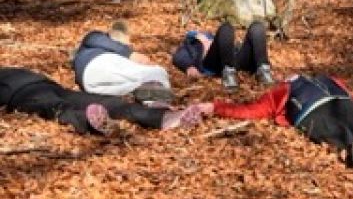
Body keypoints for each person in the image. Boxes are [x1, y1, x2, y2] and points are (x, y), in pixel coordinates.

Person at [198, 74, 353, 168]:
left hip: (341, 101)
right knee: (336, 131)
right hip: (309, 113)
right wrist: (216, 107)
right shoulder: (281, 92)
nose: (288, 75)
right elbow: (252, 110)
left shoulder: (329, 80)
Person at [0, 67, 203, 134]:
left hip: (53, 87)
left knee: (111, 102)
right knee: (58, 108)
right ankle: (92, 123)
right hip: (24, 97)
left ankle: (166, 118)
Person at [72, 20, 172, 102]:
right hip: (102, 63)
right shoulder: (98, 37)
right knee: (157, 71)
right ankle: (160, 104)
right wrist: (130, 54)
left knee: (138, 87)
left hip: (89, 84)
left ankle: (157, 107)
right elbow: (94, 38)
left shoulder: (81, 58)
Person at [172, 20, 275, 92]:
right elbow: (178, 56)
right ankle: (228, 75)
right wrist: (189, 67)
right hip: (213, 62)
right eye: (198, 33)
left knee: (257, 26)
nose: (201, 33)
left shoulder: (216, 37)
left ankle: (264, 70)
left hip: (234, 58)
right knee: (226, 27)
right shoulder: (191, 44)